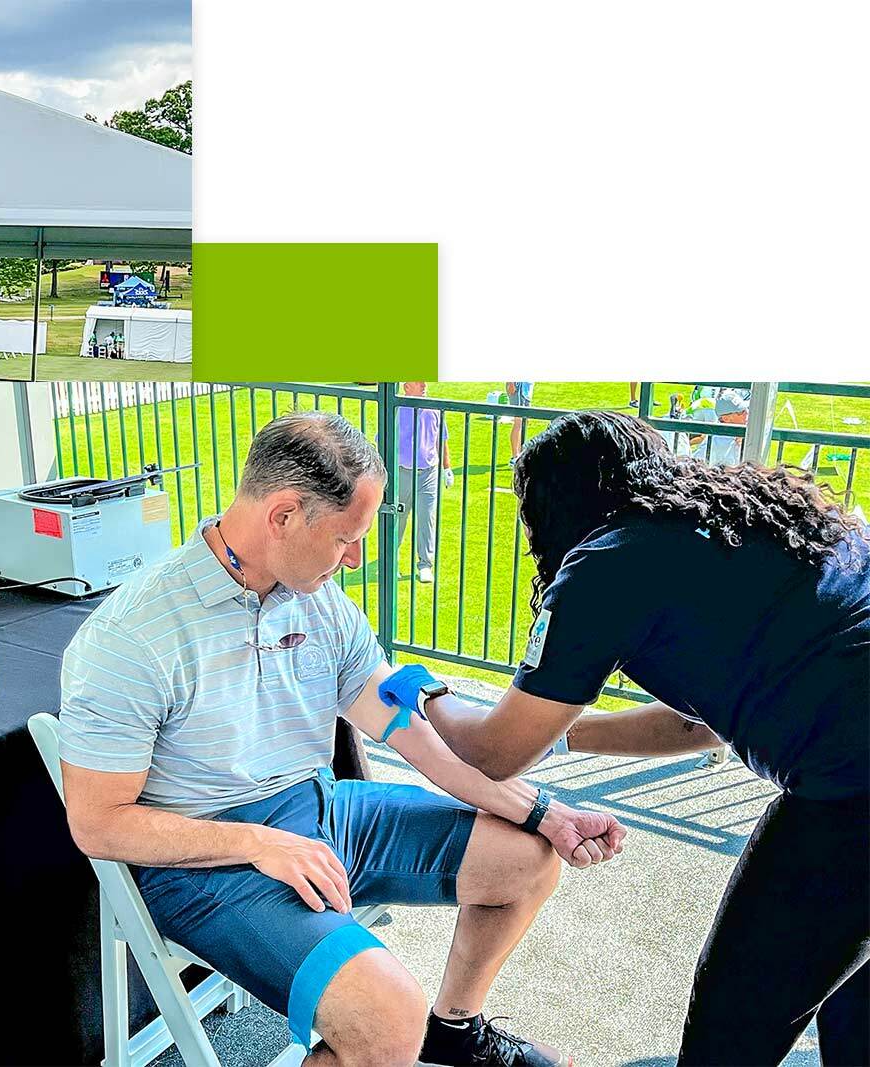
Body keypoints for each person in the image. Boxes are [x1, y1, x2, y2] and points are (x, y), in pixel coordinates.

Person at [60, 411, 624, 1067]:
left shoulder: (322, 603)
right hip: (207, 863)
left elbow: (421, 742)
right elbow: (99, 825)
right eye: (345, 538)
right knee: (388, 1018)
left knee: (527, 857)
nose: (357, 557)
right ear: (283, 515)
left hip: (319, 814)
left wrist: (542, 812)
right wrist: (258, 841)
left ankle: (455, 1032)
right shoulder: (133, 637)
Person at [415, 410, 869, 1067]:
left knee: (730, 1029)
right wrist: (567, 739)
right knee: (849, 1000)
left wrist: (430, 697)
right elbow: (705, 719)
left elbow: (493, 752)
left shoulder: (606, 562)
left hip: (852, 799)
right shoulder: (731, 524)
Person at [396, 382, 453, 583]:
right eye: (419, 382)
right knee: (398, 518)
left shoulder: (433, 408)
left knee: (426, 519)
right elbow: (383, 439)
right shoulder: (397, 408)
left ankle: (425, 565)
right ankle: (392, 560)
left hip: (428, 474)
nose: (424, 385)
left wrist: (447, 468)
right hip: (401, 473)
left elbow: (441, 440)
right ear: (406, 386)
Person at [503, 381, 535, 460]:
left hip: (526, 387)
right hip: (518, 386)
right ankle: (514, 457)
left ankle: (521, 454)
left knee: (525, 421)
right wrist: (511, 383)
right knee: (518, 422)